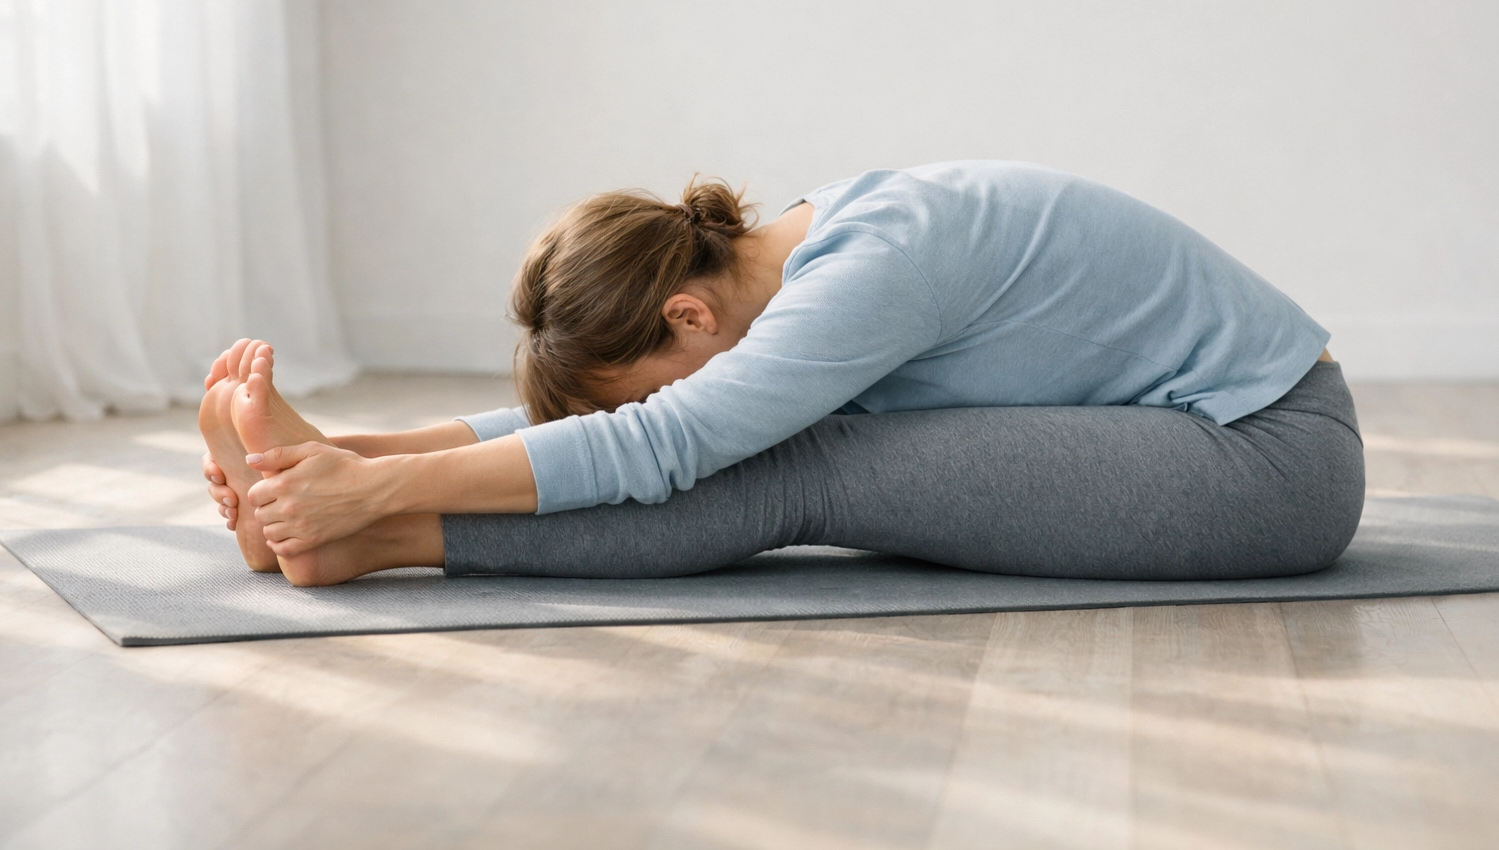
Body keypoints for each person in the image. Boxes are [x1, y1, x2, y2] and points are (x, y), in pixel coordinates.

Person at [199, 160, 1364, 587]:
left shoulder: (875, 269)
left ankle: (366, 541)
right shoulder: (792, 261)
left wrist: (379, 500)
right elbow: (659, 419)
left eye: (654, 377)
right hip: (1203, 437)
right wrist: (358, 456)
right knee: (754, 433)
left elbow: (662, 442)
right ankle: (338, 516)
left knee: (792, 460)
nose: (665, 403)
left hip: (1263, 457)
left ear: (688, 311)